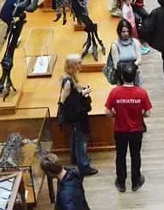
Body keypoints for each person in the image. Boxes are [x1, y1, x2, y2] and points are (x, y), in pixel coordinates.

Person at [105, 63, 151, 193]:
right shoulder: (141, 93)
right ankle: (135, 181)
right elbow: (147, 113)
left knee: (120, 155)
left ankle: (121, 182)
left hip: (120, 130)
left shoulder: (114, 92)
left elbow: (107, 111)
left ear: (122, 76)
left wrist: (116, 115)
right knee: (135, 155)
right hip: (136, 130)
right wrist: (139, 114)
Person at [58, 55, 98, 176]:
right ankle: (84, 166)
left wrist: (82, 92)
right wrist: (82, 94)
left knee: (77, 138)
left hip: (76, 115)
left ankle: (76, 158)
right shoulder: (68, 82)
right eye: (79, 63)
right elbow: (64, 100)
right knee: (81, 140)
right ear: (73, 66)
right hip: (75, 116)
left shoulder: (70, 78)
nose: (81, 65)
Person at [110, 19, 142, 85]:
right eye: (123, 31)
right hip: (122, 77)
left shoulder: (135, 42)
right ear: (119, 32)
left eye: (127, 31)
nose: (126, 34)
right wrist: (126, 70)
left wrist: (131, 68)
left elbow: (139, 60)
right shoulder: (115, 45)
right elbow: (116, 64)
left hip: (134, 75)